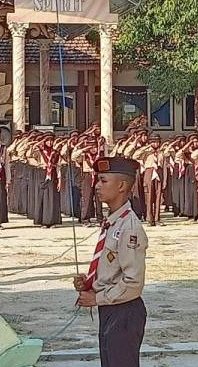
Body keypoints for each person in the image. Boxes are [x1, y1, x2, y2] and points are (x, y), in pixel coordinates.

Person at [73, 156, 148, 367]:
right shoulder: (114, 221)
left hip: (123, 312)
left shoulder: (129, 227)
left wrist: (97, 298)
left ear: (122, 186)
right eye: (98, 180)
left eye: (103, 181)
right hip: (111, 308)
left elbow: (133, 283)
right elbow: (112, 268)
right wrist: (90, 282)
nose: (97, 186)